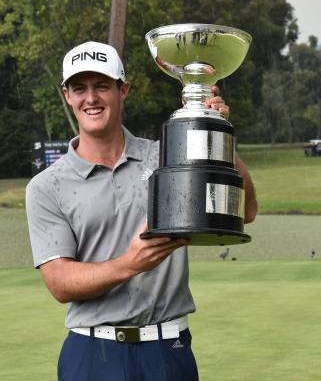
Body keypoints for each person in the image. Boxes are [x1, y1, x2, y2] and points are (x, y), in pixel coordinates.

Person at [26, 41, 257, 381]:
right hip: (91, 353)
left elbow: (244, 210)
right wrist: (130, 264)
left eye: (102, 86)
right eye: (80, 88)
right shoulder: (47, 186)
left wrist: (217, 130)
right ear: (67, 95)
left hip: (167, 349)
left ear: (124, 90)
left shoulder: (168, 157)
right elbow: (59, 283)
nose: (91, 98)